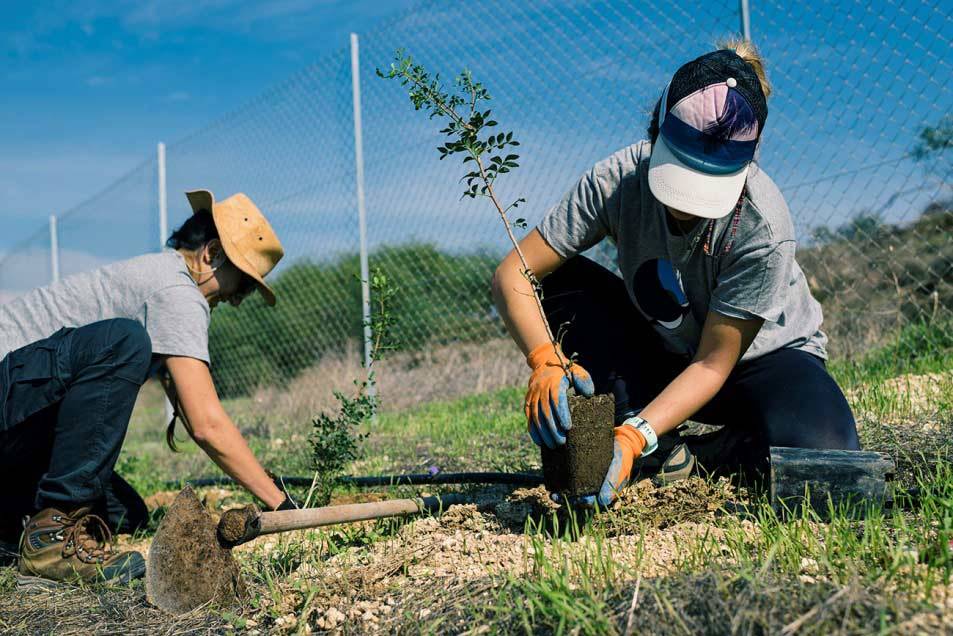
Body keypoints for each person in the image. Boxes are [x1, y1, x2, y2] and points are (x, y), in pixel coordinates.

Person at [492, 40, 860, 508]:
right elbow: (513, 274)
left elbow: (712, 364)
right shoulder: (617, 181)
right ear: (655, 134)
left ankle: (709, 447)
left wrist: (631, 437)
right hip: (665, 355)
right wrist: (544, 358)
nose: (685, 209)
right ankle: (661, 449)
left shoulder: (763, 225)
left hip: (760, 367)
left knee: (825, 460)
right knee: (557, 278)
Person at [0, 190, 295, 586]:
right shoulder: (176, 291)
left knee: (126, 513)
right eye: (240, 283)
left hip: (19, 421)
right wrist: (280, 502)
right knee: (124, 341)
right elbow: (207, 424)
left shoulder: (159, 279)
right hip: (9, 400)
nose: (237, 299)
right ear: (211, 254)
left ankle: (10, 521)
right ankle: (50, 540)